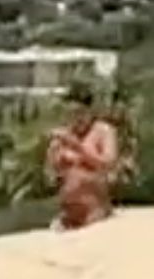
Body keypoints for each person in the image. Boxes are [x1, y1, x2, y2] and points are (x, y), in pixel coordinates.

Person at [45, 83, 121, 231]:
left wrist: (78, 148)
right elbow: (50, 177)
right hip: (68, 213)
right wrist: (55, 158)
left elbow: (108, 164)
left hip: (95, 211)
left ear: (90, 111)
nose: (76, 119)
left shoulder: (103, 131)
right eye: (71, 114)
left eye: (80, 113)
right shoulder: (64, 135)